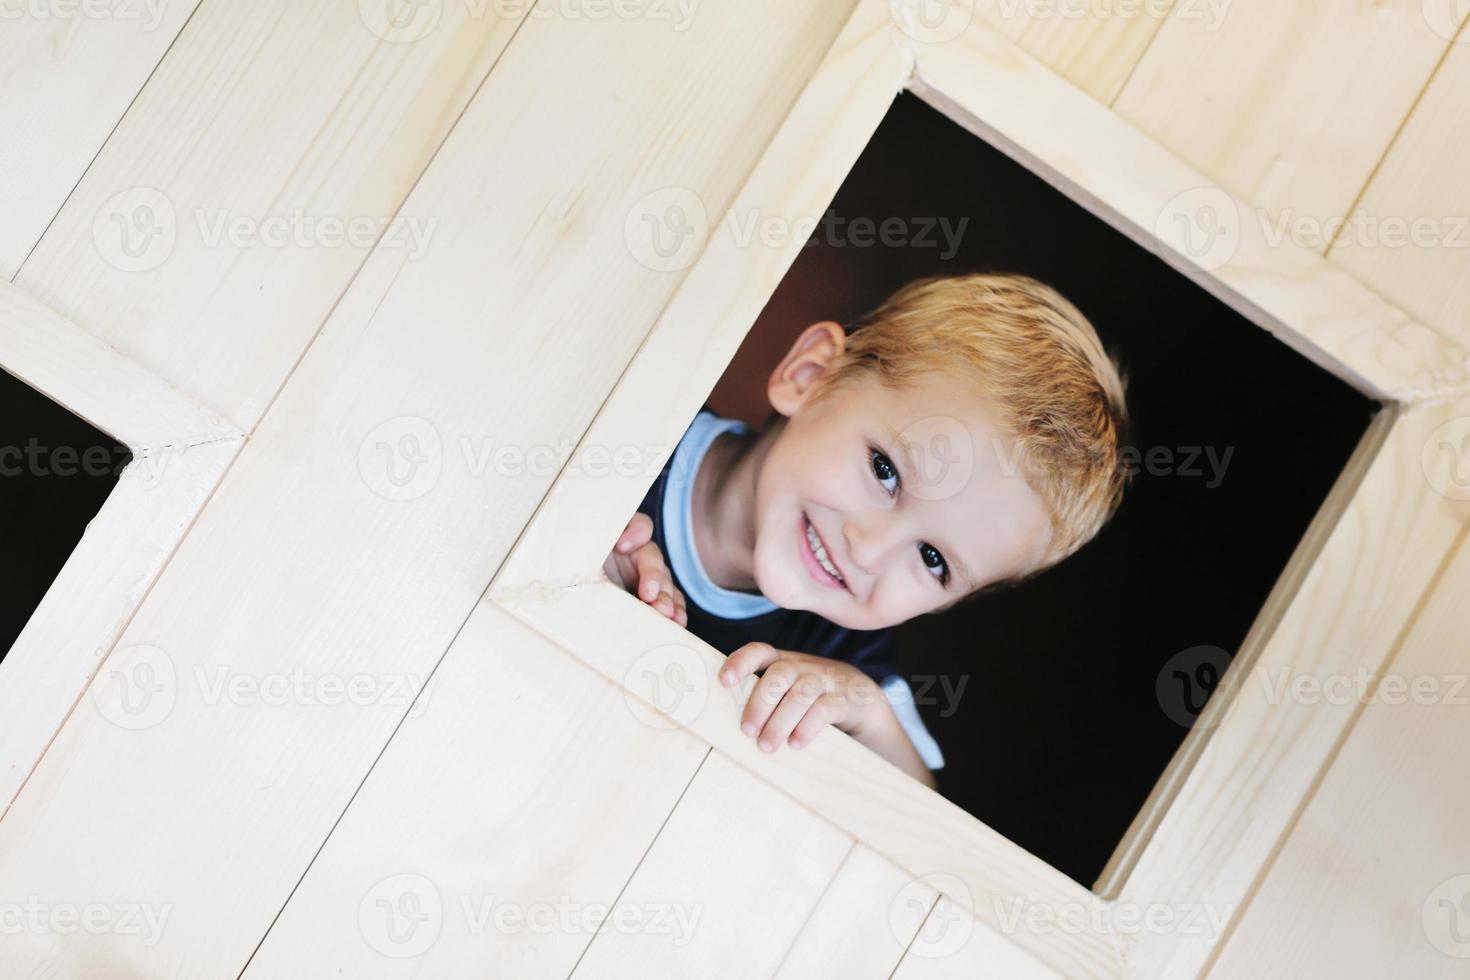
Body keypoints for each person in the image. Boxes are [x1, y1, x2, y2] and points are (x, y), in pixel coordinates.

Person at [603, 272, 1130, 787]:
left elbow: (915, 812)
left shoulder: (845, 654)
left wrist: (867, 713)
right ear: (809, 377)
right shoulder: (632, 437)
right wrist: (584, 544)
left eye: (932, 559)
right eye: (886, 472)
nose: (870, 550)